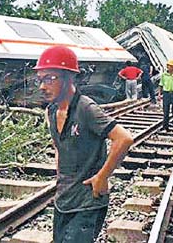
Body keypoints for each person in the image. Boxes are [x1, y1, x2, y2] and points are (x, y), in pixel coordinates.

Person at [34, 46, 134, 243]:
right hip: (64, 200)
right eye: (40, 79)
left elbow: (123, 139)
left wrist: (102, 177)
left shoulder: (86, 108)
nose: (42, 87)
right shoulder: (51, 112)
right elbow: (59, 149)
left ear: (69, 78)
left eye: (49, 78)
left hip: (87, 202)